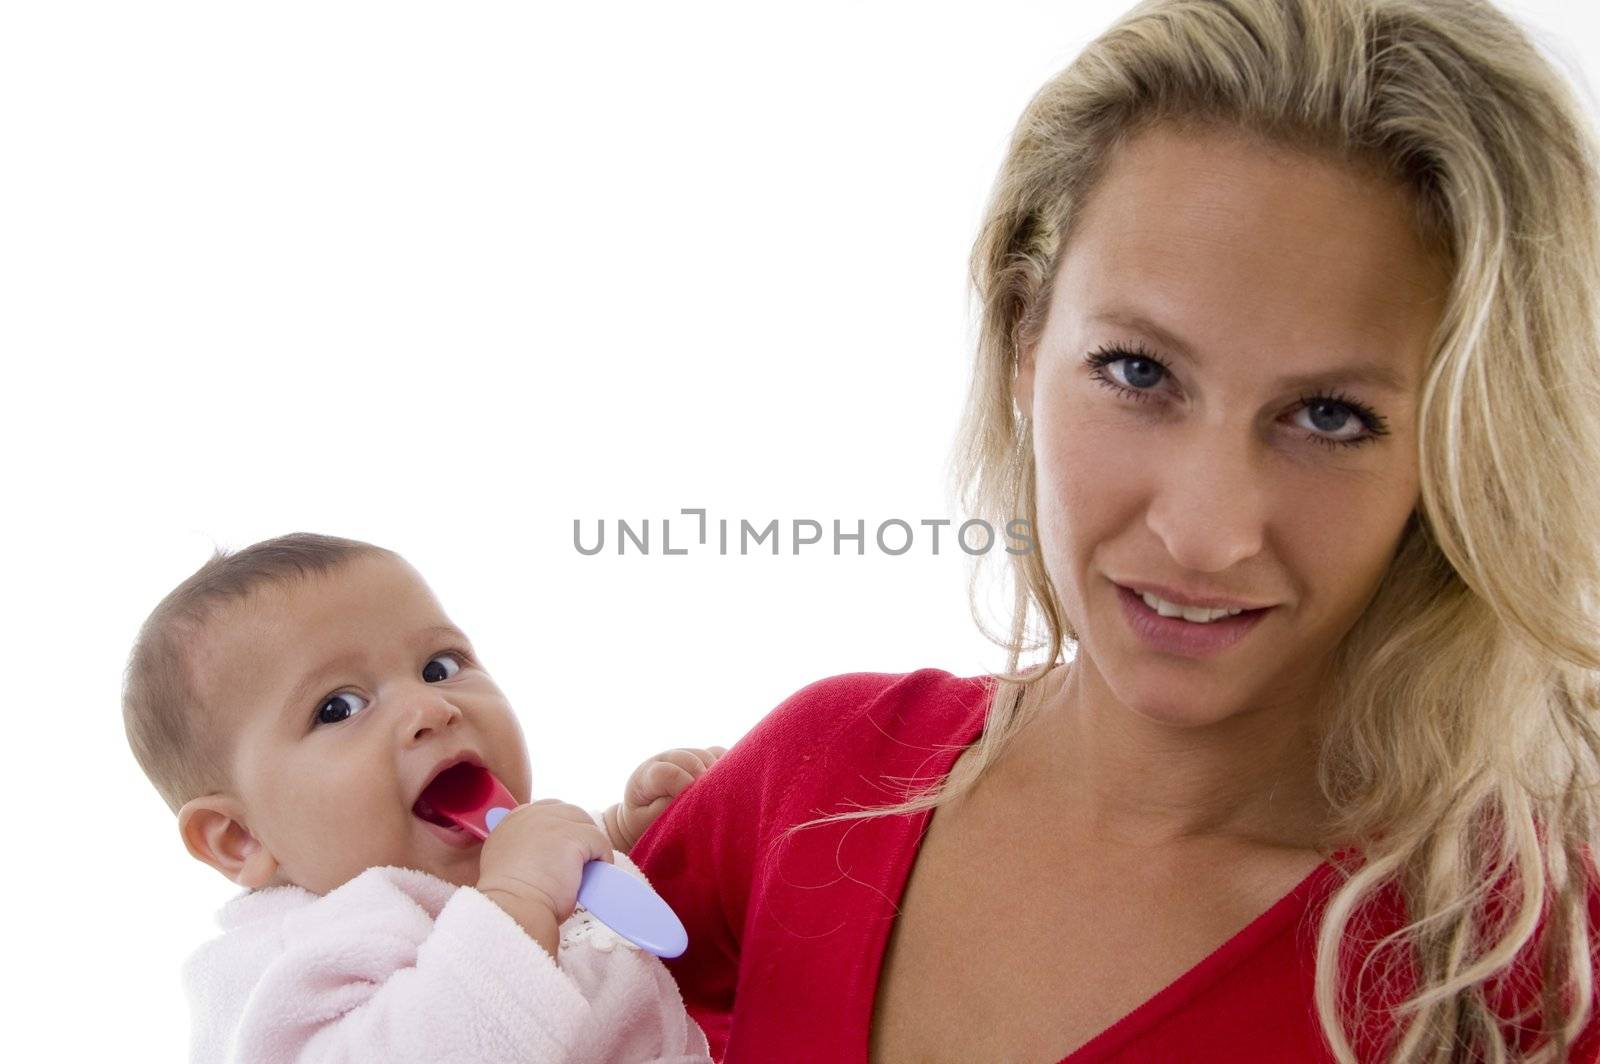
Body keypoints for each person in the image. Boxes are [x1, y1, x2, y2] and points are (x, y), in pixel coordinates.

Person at [629, 0, 1600, 1060]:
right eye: (1137, 371)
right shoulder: (815, 782)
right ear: (1020, 338)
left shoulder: (1526, 972)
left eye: (1330, 416)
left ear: (1461, 450)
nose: (1203, 532)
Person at [121, 531, 724, 1063]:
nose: (432, 709)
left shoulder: (499, 859)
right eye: (339, 708)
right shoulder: (288, 963)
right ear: (240, 837)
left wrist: (622, 832)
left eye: (439, 666)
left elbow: (581, 908)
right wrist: (520, 899)